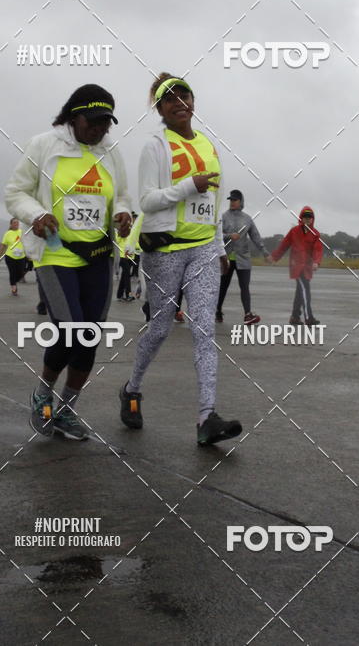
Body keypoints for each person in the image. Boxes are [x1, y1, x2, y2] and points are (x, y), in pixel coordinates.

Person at [120, 73, 242, 446]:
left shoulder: (208, 145)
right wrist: (190, 185)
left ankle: (207, 416)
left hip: (204, 247)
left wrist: (220, 247)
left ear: (193, 102)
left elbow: (215, 203)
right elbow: (147, 200)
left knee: (204, 329)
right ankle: (131, 388)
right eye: (168, 98)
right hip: (167, 248)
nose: (178, 102)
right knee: (160, 328)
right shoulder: (156, 146)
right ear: (159, 109)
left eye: (183, 95)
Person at [5, 84, 132, 440]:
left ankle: (66, 410)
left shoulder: (110, 152)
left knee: (89, 336)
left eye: (106, 122)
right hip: (57, 251)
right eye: (92, 121)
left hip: (98, 256)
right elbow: (15, 192)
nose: (99, 129)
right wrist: (36, 214)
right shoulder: (44, 146)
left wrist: (123, 213)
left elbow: (121, 195)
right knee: (71, 328)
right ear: (73, 117)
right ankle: (42, 395)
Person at [217, 189, 271, 324]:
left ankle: (248, 314)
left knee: (244, 287)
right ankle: (217, 311)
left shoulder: (247, 218)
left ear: (241, 202)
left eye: (235, 200)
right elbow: (216, 235)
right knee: (223, 286)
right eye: (230, 200)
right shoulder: (223, 217)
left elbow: (255, 236)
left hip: (243, 259)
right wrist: (229, 236)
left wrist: (265, 252)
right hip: (226, 258)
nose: (232, 202)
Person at [271, 206, 323, 325]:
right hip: (297, 267)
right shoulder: (294, 231)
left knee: (300, 292)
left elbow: (318, 249)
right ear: (301, 218)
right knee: (305, 291)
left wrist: (316, 261)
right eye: (305, 216)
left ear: (313, 219)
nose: (308, 219)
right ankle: (309, 318)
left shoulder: (315, 234)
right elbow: (284, 245)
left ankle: (294, 317)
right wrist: (274, 257)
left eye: (310, 217)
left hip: (307, 268)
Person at [0, 218, 27, 295]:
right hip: (10, 257)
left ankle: (14, 282)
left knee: (21, 273)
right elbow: (3, 245)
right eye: (15, 223)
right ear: (11, 224)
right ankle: (14, 287)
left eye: (17, 223)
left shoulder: (22, 232)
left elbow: (27, 243)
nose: (16, 224)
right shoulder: (8, 233)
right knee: (12, 272)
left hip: (21, 257)